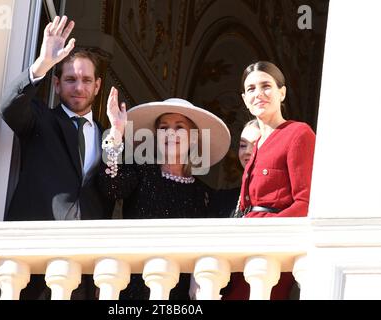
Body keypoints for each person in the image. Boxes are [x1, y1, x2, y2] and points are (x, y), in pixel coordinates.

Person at [0, 15, 113, 299]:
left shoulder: (109, 136)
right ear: (57, 84)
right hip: (32, 259)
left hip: (83, 268)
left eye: (87, 80)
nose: (79, 87)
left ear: (97, 86)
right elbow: (9, 107)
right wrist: (43, 63)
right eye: (71, 79)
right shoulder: (40, 120)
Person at [98, 87, 231, 299]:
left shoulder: (204, 195)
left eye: (179, 127)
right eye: (163, 128)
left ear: (194, 138)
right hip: (134, 291)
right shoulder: (141, 172)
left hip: (179, 295)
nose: (170, 133)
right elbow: (110, 186)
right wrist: (115, 133)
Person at [223, 60, 315, 300]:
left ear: (281, 92)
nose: (258, 94)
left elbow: (304, 203)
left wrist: (268, 233)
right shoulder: (257, 145)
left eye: (266, 86)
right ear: (244, 99)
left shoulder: (298, 133)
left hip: (272, 251)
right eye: (251, 89)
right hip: (244, 250)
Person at [208, 119, 261, 218]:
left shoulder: (279, 198)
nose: (247, 151)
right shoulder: (222, 200)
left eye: (256, 145)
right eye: (243, 145)